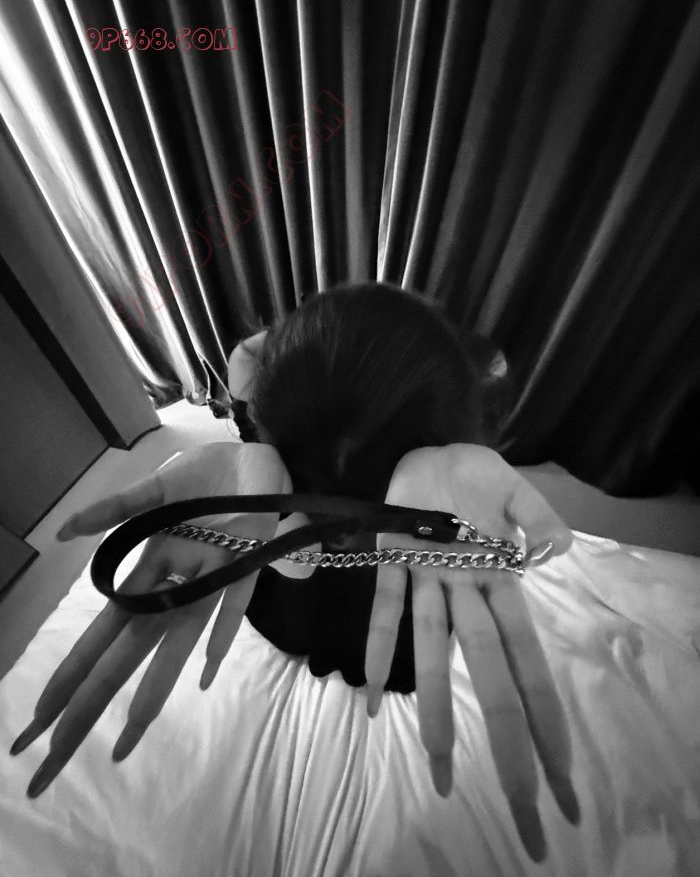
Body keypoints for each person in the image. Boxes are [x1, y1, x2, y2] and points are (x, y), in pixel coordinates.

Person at [11, 282, 577, 864]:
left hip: (298, 583)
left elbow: (246, 361)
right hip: (388, 600)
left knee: (312, 592)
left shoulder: (269, 450)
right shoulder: (451, 455)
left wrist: (273, 407)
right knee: (383, 637)